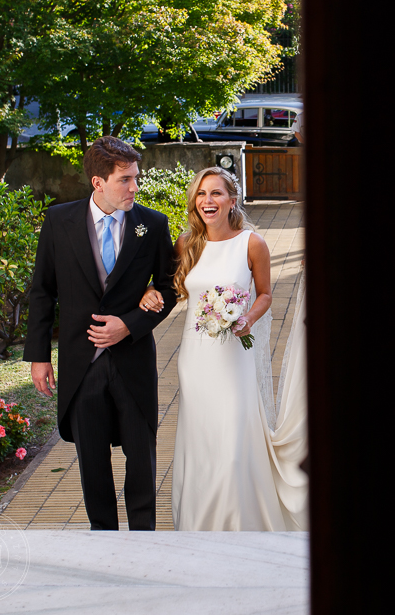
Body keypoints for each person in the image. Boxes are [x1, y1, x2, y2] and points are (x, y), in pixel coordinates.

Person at [141, 167, 307, 530]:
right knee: (201, 441)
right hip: (195, 357)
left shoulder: (252, 244)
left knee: (232, 443)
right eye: (201, 194)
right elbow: (166, 288)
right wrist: (147, 292)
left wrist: (248, 318)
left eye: (216, 193)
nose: (207, 201)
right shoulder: (186, 244)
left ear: (233, 201)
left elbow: (265, 293)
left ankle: (238, 524)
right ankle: (200, 525)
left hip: (234, 357)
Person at [24, 136, 177, 530]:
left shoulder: (152, 224)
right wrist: (39, 357)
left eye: (136, 178)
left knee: (141, 460)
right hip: (82, 363)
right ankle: (102, 539)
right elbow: (42, 292)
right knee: (92, 461)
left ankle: (144, 539)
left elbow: (169, 287)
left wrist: (130, 324)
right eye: (125, 179)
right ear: (98, 182)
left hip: (133, 362)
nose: (134, 187)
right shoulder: (60, 221)